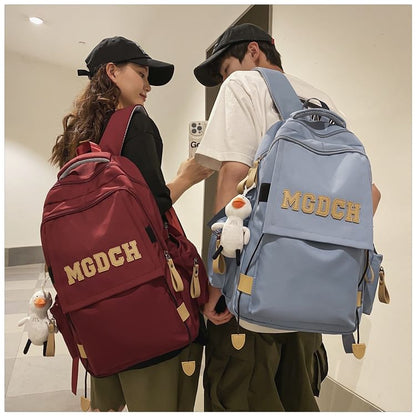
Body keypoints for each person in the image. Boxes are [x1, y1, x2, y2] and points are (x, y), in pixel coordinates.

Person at [193, 23, 381, 411]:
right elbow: (368, 196)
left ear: (253, 51)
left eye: (226, 69)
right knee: (298, 396)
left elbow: (232, 176)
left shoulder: (243, 84)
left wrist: (217, 283)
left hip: (254, 294)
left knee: (240, 393)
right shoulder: (324, 103)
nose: (226, 79)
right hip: (315, 301)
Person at [50, 36, 212, 412]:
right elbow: (153, 208)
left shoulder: (78, 135)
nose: (147, 85)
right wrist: (186, 178)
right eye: (141, 73)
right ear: (112, 72)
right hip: (143, 296)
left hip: (96, 298)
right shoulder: (135, 123)